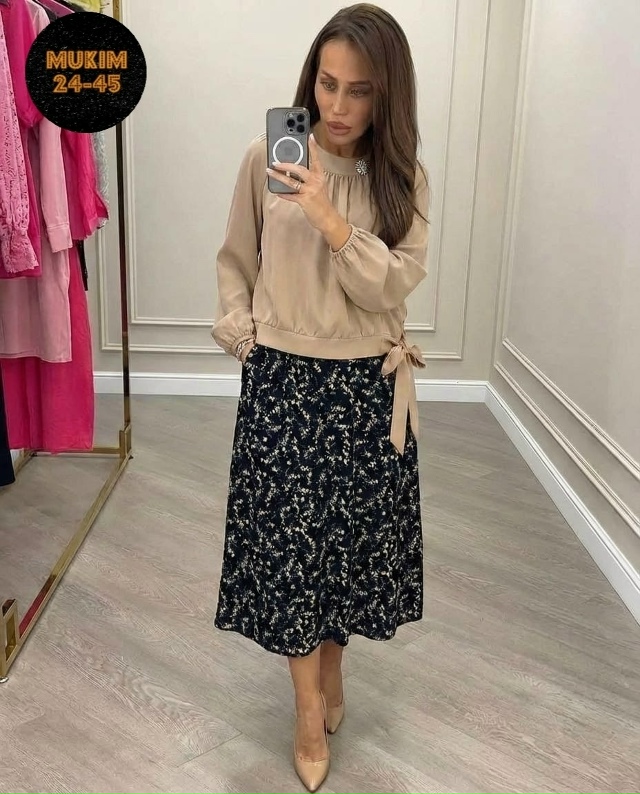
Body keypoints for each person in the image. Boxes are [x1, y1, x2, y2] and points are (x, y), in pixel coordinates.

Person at [212, 3, 430, 790]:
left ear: (386, 96)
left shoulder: (402, 179)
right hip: (283, 387)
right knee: (289, 557)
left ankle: (334, 669)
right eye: (326, 84)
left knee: (345, 557)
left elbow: (392, 285)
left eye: (359, 90)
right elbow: (235, 261)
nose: (337, 107)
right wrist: (244, 334)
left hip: (366, 391)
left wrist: (329, 218)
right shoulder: (264, 159)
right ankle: (308, 708)